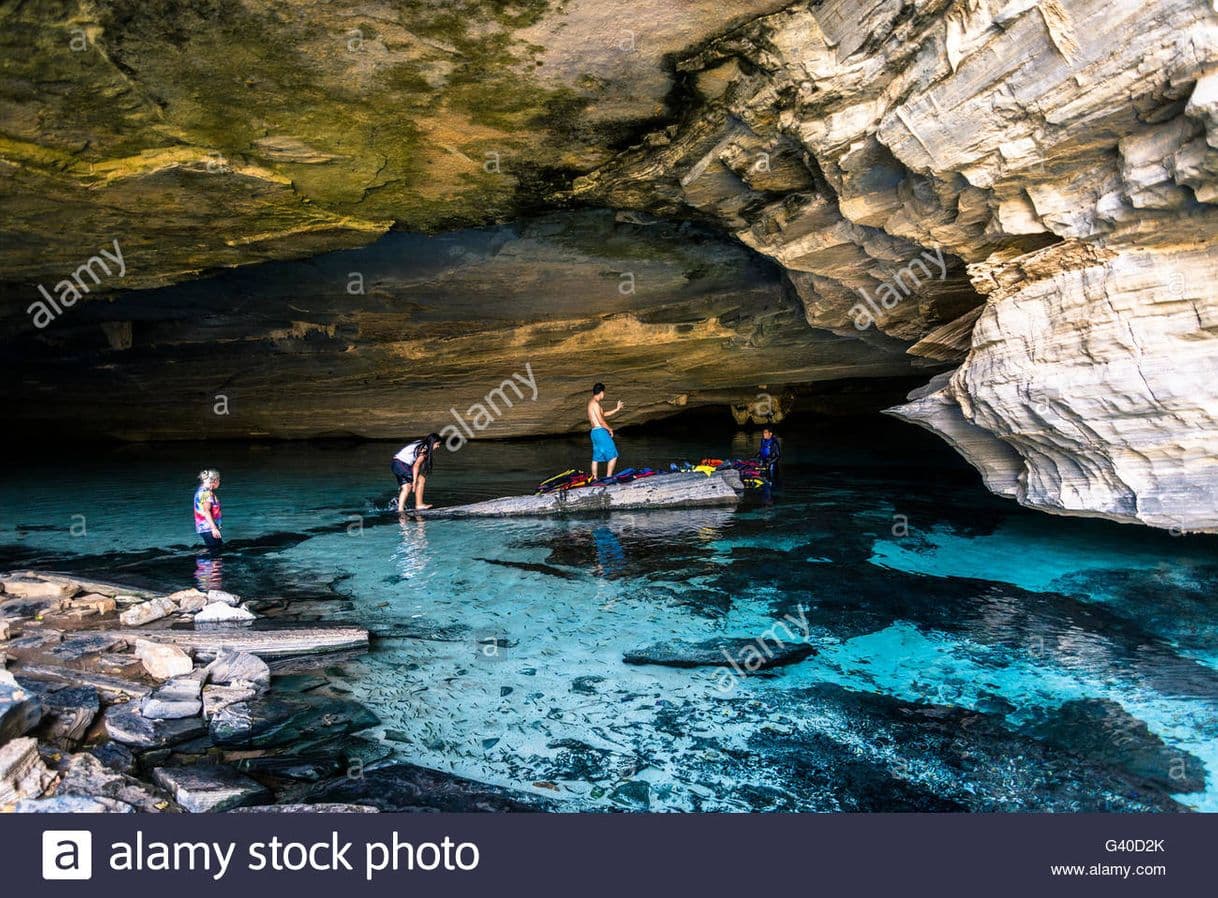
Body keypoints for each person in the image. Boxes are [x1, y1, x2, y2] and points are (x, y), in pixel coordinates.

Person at [391, 433, 442, 511]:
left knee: (407, 487)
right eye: (437, 444)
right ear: (432, 442)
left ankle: (400, 509)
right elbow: (416, 465)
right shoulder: (424, 448)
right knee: (421, 480)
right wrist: (415, 481)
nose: (438, 447)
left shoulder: (420, 443)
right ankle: (419, 504)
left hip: (396, 464)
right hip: (401, 464)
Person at [587, 382, 624, 480]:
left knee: (596, 457)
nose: (604, 394)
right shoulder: (595, 404)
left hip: (594, 432)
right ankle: (609, 478)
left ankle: (594, 478)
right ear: (601, 392)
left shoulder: (592, 403)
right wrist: (610, 429)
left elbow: (604, 414)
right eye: (604, 392)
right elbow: (601, 421)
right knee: (613, 455)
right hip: (600, 431)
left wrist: (617, 409)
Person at [194, 469, 223, 551]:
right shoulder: (206, 493)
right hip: (208, 528)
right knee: (216, 552)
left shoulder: (203, 490)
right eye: (219, 480)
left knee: (215, 549)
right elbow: (206, 511)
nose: (219, 482)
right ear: (215, 481)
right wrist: (213, 528)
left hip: (205, 528)